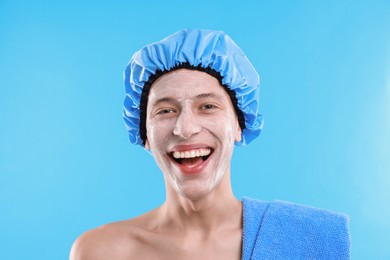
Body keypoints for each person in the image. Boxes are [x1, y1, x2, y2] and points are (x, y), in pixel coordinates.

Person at [70, 29, 350, 259]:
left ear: (239, 125)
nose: (185, 128)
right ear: (144, 134)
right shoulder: (100, 252)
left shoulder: (311, 240)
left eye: (207, 106)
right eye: (165, 110)